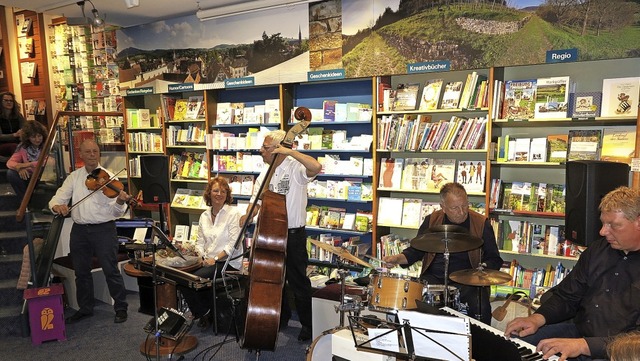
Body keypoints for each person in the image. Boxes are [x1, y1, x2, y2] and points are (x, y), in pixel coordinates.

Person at [505, 186, 640, 361]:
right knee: (515, 345)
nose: (603, 231)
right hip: (579, 333)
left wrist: (585, 346)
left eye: (613, 225)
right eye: (603, 223)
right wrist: (537, 319)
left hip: (620, 353)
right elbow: (568, 295)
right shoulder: (597, 250)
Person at [240, 129, 322, 341]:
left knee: (298, 282)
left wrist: (290, 151)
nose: (261, 151)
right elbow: (256, 203)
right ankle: (280, 318)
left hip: (293, 235)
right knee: (274, 279)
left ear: (278, 149)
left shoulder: (296, 168)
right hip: (269, 234)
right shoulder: (264, 173)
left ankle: (308, 325)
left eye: (265, 148)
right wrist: (247, 216)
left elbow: (316, 167)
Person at [383, 182, 503, 324]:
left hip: (468, 280)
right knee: (411, 299)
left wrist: (482, 269)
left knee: (480, 305)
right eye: (455, 208)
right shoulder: (432, 220)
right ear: (443, 207)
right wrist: (397, 259)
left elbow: (494, 258)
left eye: (465, 205)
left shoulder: (481, 223)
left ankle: (479, 343)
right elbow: (416, 251)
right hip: (434, 277)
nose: (462, 211)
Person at [49, 139, 129, 324]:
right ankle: (85, 308)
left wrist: (120, 201)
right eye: (88, 151)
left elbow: (116, 213)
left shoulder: (109, 178)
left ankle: (121, 307)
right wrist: (58, 207)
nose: (92, 154)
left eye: (95, 151)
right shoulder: (74, 177)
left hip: (104, 229)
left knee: (111, 270)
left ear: (98, 153)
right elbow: (56, 199)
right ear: (81, 154)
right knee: (81, 272)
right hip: (79, 231)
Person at [178, 177, 243, 329]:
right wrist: (200, 256)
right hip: (207, 261)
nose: (219, 194)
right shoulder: (204, 216)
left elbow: (234, 245)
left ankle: (203, 312)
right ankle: (203, 312)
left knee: (195, 278)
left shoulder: (234, 213)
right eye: (215, 190)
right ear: (209, 193)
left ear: (227, 194)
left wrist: (214, 259)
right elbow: (200, 241)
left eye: (223, 191)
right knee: (181, 276)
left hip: (227, 262)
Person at [6, 120, 47, 200]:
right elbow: (9, 162)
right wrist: (19, 167)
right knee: (11, 173)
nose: (37, 139)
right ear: (28, 138)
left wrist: (27, 165)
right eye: (33, 137)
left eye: (39, 136)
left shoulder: (48, 145)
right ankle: (25, 203)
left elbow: (49, 162)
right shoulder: (23, 147)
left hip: (44, 176)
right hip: (29, 177)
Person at [0, 92, 26, 159]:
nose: (9, 102)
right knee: (14, 146)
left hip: (18, 141)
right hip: (2, 144)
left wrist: (22, 132)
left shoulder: (18, 115)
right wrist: (14, 135)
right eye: (6, 100)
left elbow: (24, 128)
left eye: (11, 101)